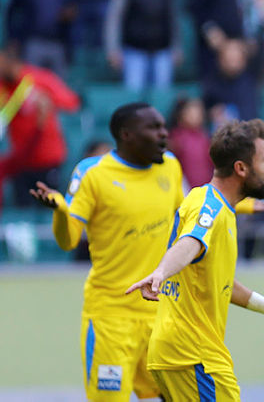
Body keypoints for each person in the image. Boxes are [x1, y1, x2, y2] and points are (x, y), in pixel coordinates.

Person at [127, 119, 264, 401]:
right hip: (194, 357)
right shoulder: (210, 207)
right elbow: (190, 243)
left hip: (181, 353)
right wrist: (161, 272)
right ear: (241, 168)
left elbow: (219, 282)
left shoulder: (216, 206)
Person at [29, 102, 183, 400]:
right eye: (153, 128)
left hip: (160, 311)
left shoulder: (171, 166)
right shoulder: (92, 173)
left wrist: (239, 206)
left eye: (163, 126)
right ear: (126, 134)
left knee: (174, 396)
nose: (164, 134)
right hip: (111, 317)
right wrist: (60, 212)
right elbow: (68, 241)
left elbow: (185, 216)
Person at [0, 49, 80, 207]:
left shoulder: (40, 79)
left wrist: (48, 99)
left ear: (12, 62)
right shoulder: (3, 86)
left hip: (47, 159)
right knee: (22, 214)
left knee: (48, 210)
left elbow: (72, 102)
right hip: (21, 161)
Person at [105, 0, 182, 92]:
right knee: (132, 98)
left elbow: (174, 18)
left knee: (162, 98)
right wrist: (113, 49)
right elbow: (114, 19)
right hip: (134, 52)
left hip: (162, 51)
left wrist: (176, 47)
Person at [168, 98, 213, 189]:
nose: (196, 116)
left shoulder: (205, 137)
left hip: (205, 188)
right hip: (185, 189)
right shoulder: (176, 137)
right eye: (191, 113)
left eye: (198, 113)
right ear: (181, 115)